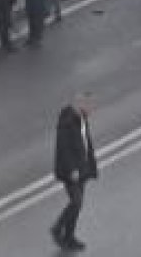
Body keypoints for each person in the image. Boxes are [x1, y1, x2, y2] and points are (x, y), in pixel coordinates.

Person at [52, 92, 98, 251]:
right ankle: (57, 228)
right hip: (71, 172)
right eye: (89, 104)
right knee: (76, 202)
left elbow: (85, 143)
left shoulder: (82, 120)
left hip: (82, 169)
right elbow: (64, 149)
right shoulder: (67, 122)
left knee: (78, 204)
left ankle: (69, 237)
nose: (92, 108)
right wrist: (72, 169)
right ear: (80, 104)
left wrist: (90, 166)